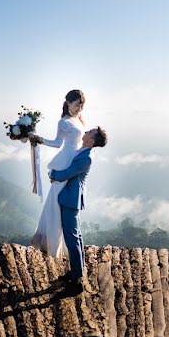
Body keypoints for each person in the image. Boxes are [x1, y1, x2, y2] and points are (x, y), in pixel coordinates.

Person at [49, 126, 107, 296]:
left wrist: (53, 174)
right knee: (76, 236)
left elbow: (69, 173)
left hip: (71, 198)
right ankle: (76, 271)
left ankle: (78, 280)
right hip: (70, 197)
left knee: (72, 238)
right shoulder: (82, 151)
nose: (87, 131)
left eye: (90, 132)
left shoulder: (86, 157)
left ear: (91, 140)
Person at [28, 89, 86, 259]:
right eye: (77, 105)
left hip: (75, 161)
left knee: (68, 201)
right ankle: (51, 244)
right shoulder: (64, 122)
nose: (79, 109)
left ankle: (68, 245)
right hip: (65, 162)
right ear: (68, 103)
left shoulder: (79, 119)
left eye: (81, 106)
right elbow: (56, 143)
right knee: (56, 203)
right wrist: (37, 138)